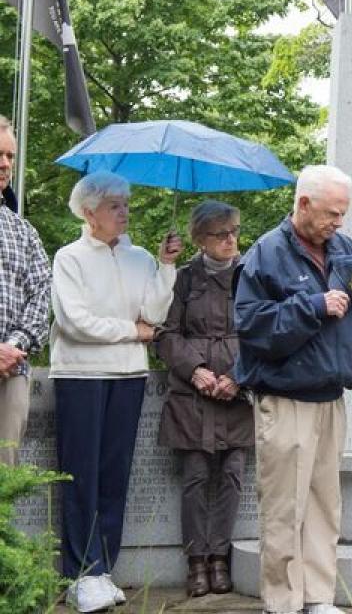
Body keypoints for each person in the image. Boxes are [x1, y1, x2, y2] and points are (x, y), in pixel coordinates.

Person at [235, 165, 352, 614]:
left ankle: (318, 599)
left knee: (323, 506)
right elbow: (252, 327)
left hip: (329, 401)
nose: (339, 223)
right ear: (303, 205)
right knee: (284, 509)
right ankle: (281, 603)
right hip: (285, 400)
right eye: (332, 214)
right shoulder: (265, 254)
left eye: (343, 214)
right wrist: (313, 307)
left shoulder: (344, 249)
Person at [50, 171, 182, 612]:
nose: (125, 212)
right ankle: (78, 574)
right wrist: (133, 332)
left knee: (114, 476)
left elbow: (154, 313)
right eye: (114, 206)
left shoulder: (140, 256)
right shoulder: (69, 258)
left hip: (129, 377)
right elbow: (75, 323)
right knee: (81, 474)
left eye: (126, 204)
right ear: (89, 212)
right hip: (81, 376)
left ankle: (103, 569)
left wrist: (165, 266)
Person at [156, 201, 252, 597]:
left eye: (234, 231)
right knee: (195, 477)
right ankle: (196, 561)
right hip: (191, 398)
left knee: (232, 476)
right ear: (200, 239)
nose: (230, 239)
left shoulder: (252, 278)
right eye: (220, 233)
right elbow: (165, 335)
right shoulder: (183, 280)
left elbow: (265, 333)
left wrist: (238, 376)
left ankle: (220, 557)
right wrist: (194, 369)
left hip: (236, 395)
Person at [0, 117, 51, 465]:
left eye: (10, 156)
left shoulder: (23, 231)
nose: (4, 164)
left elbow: (41, 295)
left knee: (6, 478)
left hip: (12, 372)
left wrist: (12, 347)